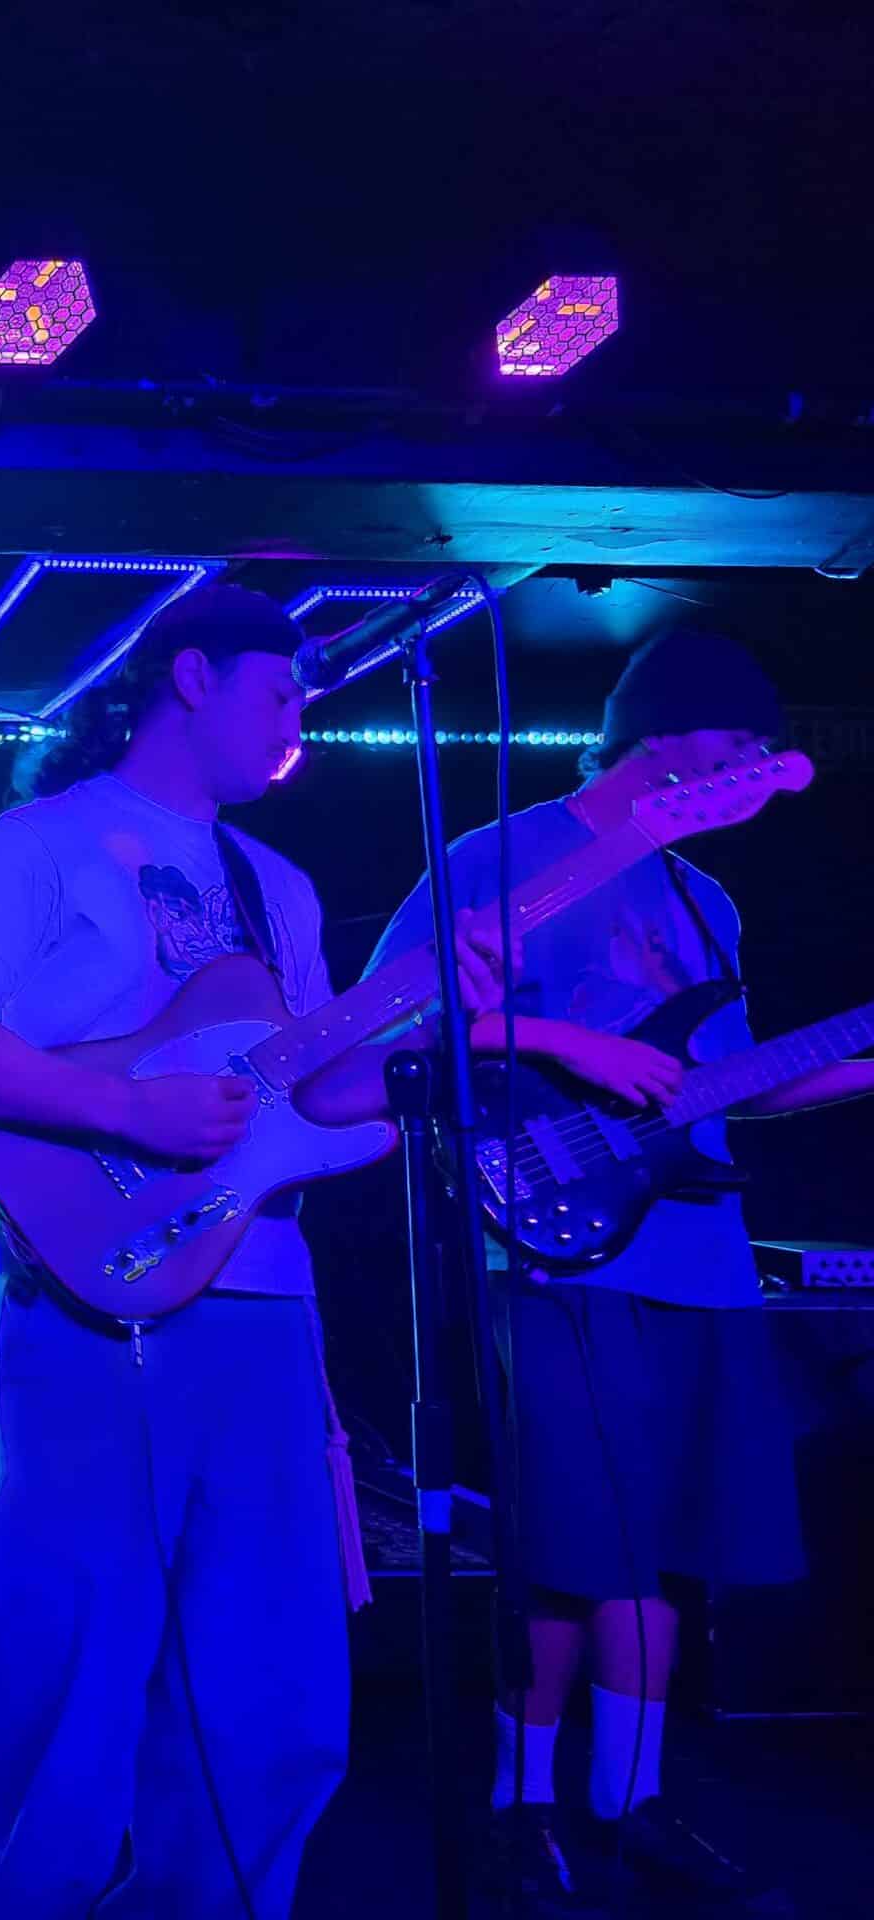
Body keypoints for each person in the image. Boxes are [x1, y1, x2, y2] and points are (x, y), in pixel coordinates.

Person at [0, 584, 509, 1918]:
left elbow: (312, 1090)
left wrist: (438, 1026)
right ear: (192, 677)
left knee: (271, 1678)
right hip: (90, 1299)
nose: (297, 727)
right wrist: (121, 1108)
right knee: (64, 1656)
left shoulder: (279, 886)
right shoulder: (43, 843)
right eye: (280, 696)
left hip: (266, 1299)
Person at [364, 629, 873, 1912]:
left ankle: (630, 1799)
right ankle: (518, 1803)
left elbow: (722, 1084)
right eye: (741, 743)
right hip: (556, 1239)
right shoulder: (503, 857)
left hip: (701, 1252)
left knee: (668, 1547)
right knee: (569, 1543)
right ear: (666, 740)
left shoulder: (709, 900)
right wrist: (569, 1046)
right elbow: (393, 1029)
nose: (757, 768)